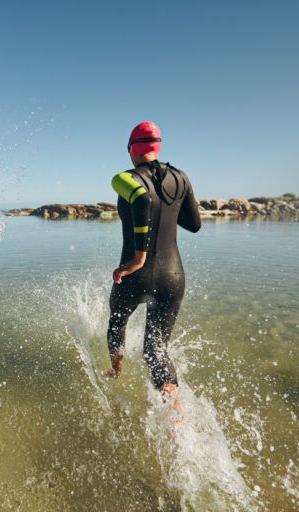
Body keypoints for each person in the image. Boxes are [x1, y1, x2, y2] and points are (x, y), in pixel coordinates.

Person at [107, 121, 201, 409]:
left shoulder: (124, 178)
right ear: (157, 147)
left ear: (131, 150)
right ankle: (175, 413)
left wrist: (138, 258)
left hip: (135, 275)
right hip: (173, 276)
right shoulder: (181, 177)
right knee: (156, 350)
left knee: (116, 323)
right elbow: (194, 224)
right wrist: (169, 212)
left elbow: (143, 199)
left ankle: (115, 373)